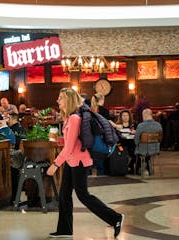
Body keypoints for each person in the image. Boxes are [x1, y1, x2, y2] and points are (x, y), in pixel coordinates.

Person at [46, 88, 124, 239]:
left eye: (60, 98)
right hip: (71, 161)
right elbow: (71, 142)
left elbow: (69, 148)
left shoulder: (75, 118)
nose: (57, 100)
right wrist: (58, 140)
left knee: (83, 196)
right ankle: (65, 230)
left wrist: (55, 165)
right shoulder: (68, 118)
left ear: (68, 100)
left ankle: (115, 218)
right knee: (64, 195)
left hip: (80, 161)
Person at [134, 108, 163, 175]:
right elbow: (160, 138)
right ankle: (147, 167)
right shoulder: (159, 125)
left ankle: (136, 169)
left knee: (135, 148)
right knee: (146, 147)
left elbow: (136, 140)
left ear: (145, 115)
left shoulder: (141, 126)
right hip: (155, 149)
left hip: (143, 150)